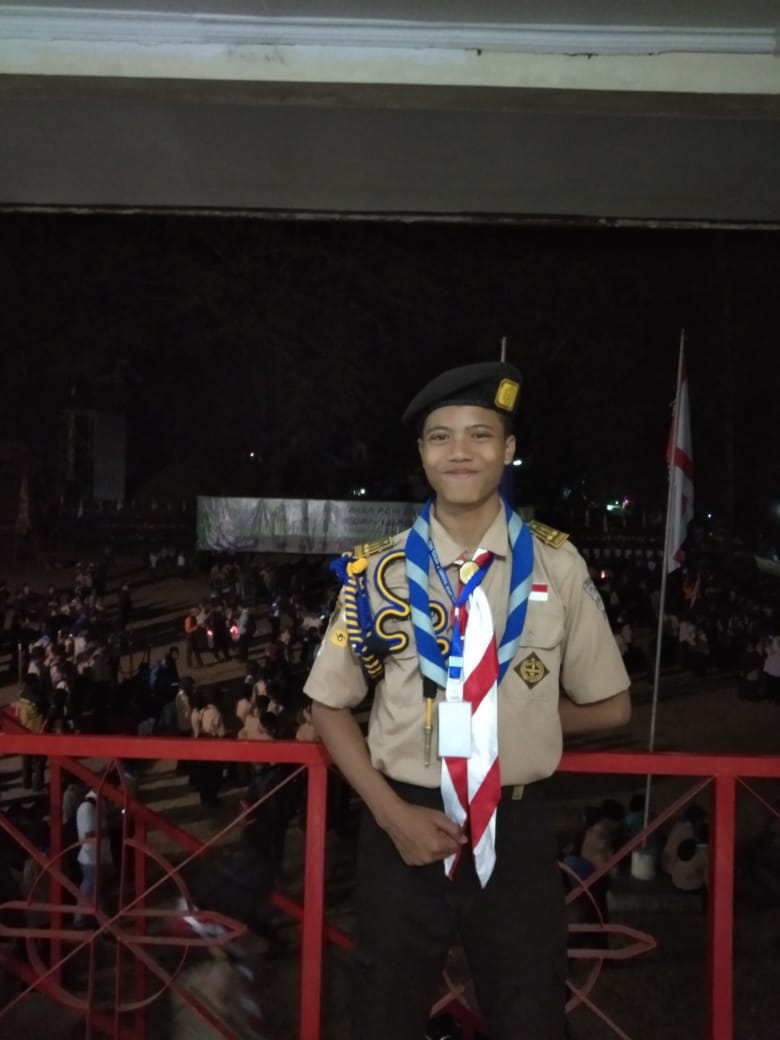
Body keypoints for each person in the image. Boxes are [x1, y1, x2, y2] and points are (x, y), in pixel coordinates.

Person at [305, 361, 631, 1040]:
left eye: (480, 434)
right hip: (402, 825)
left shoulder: (557, 565)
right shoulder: (377, 571)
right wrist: (391, 814)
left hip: (515, 830)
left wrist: (503, 722)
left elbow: (611, 705)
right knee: (382, 1016)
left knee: (531, 1016)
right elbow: (328, 707)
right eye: (441, 436)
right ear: (421, 454)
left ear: (508, 450)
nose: (460, 451)